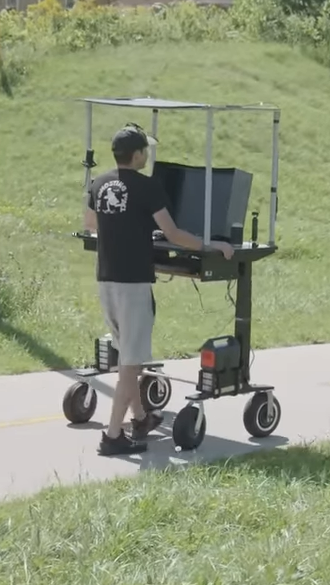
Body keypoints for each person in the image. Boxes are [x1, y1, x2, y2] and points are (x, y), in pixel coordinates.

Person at [84, 122, 235, 456]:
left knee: (127, 354)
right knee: (131, 363)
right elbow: (174, 234)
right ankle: (112, 436)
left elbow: (90, 224)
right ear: (137, 154)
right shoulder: (147, 187)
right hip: (133, 282)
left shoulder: (99, 182)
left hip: (106, 277)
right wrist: (211, 246)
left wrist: (127, 226)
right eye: (145, 151)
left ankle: (139, 418)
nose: (147, 155)